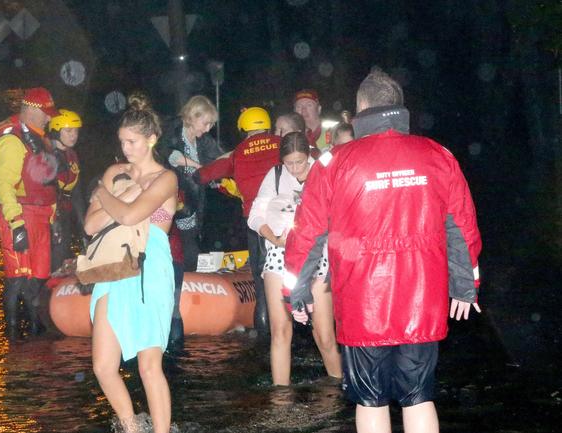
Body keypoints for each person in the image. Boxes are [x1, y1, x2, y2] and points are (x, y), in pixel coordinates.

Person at [283, 67, 482, 433]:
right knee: (419, 397)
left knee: (370, 400)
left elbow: (307, 231)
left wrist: (295, 289)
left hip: (362, 304)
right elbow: (462, 224)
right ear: (399, 107)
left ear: (361, 109)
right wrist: (464, 283)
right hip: (422, 300)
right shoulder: (436, 155)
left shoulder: (333, 163)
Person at [85, 93, 177, 433]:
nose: (126, 150)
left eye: (133, 142)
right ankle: (132, 428)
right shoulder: (115, 171)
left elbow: (130, 214)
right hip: (112, 264)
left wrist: (104, 193)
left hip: (149, 264)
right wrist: (114, 192)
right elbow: (90, 225)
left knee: (149, 364)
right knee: (102, 365)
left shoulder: (166, 178)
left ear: (152, 139)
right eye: (122, 142)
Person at [248, 131, 341, 385]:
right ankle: (281, 401)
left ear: (309, 154)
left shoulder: (324, 171)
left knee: (324, 335)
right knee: (281, 331)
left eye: (300, 162)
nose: (295, 168)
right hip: (280, 256)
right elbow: (255, 216)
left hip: (317, 257)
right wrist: (275, 238)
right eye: (289, 163)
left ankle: (339, 388)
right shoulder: (276, 175)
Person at [197, 107, 281, 333]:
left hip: (256, 225)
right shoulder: (283, 143)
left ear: (243, 128)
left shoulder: (239, 152)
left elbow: (205, 175)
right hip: (286, 223)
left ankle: (265, 340)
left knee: (262, 283)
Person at [0, 87, 60, 338]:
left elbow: (47, 185)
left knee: (39, 275)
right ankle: (11, 333)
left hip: (41, 216)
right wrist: (16, 223)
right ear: (30, 110)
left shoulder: (42, 140)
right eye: (45, 113)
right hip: (19, 214)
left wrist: (53, 218)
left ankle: (34, 327)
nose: (49, 118)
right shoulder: (11, 140)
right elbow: (4, 185)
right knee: (17, 278)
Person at [159, 95, 224, 272]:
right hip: (168, 199)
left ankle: (186, 284)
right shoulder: (172, 128)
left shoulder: (204, 139)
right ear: (193, 116)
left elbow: (220, 158)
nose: (208, 128)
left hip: (193, 202)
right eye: (206, 123)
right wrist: (201, 168)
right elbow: (170, 155)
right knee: (181, 246)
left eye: (211, 124)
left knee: (189, 245)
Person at [48, 109, 85, 272]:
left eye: (76, 131)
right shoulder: (47, 155)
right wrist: (54, 220)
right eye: (68, 131)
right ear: (56, 131)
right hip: (49, 216)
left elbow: (76, 193)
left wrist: (84, 226)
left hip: (65, 212)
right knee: (55, 256)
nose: (73, 135)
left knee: (65, 255)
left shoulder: (72, 155)